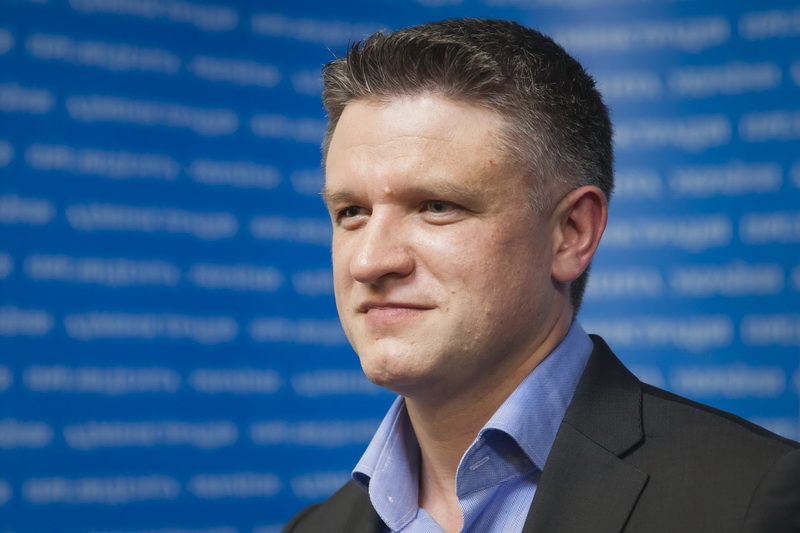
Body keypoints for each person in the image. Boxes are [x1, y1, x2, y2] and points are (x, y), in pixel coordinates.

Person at [283, 18, 800, 533]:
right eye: (352, 212)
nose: (369, 262)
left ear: (570, 234)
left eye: (437, 206)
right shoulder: (312, 530)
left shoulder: (749, 502)